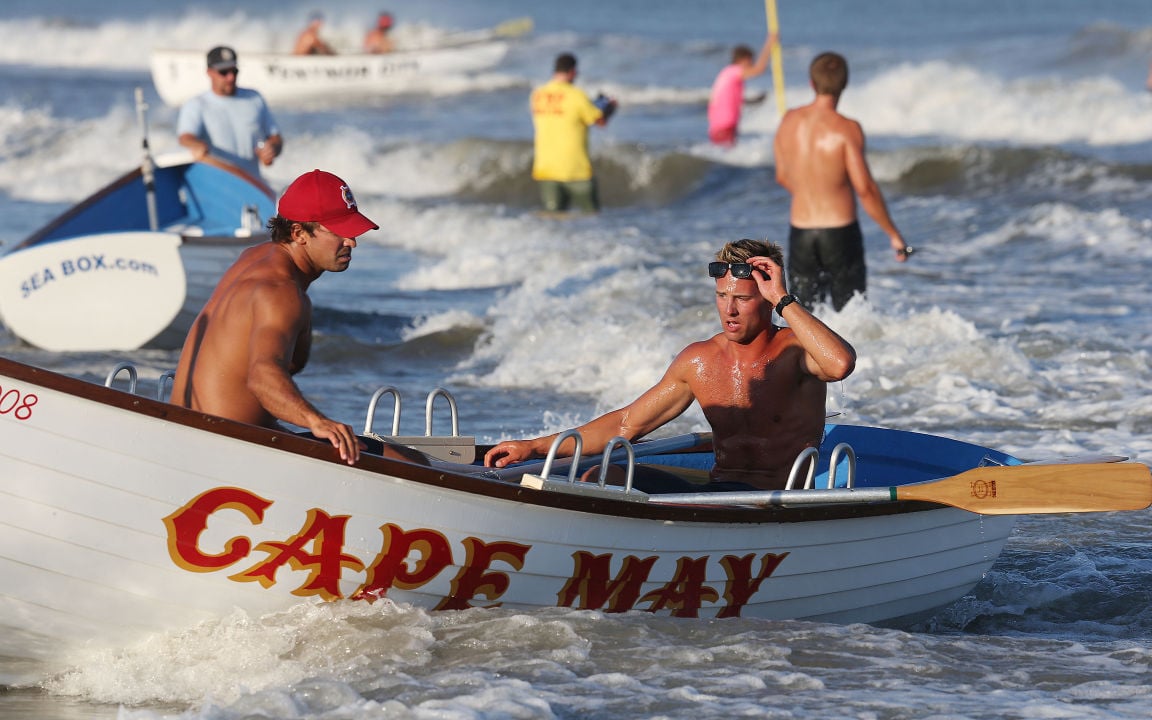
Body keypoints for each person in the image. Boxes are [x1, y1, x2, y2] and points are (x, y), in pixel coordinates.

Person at [484, 238, 856, 492]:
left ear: (765, 299)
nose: (729, 309)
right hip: (718, 494)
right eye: (721, 296)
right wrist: (534, 448)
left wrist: (783, 298)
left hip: (783, 500)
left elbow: (839, 364)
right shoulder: (699, 360)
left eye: (742, 298)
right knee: (604, 474)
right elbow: (626, 424)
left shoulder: (794, 351)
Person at [169, 170, 420, 466]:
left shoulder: (253, 258)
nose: (351, 242)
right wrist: (316, 421)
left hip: (187, 434)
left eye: (352, 230)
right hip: (228, 450)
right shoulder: (282, 292)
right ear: (299, 233)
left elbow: (277, 363)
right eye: (338, 232)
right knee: (410, 462)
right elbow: (262, 377)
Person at [773, 51, 912, 311]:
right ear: (845, 84)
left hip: (800, 233)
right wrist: (894, 235)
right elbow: (865, 189)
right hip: (839, 233)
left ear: (811, 83)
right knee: (849, 316)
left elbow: (781, 176)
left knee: (804, 317)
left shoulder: (788, 121)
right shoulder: (847, 128)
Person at [177, 46, 283, 179]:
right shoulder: (196, 105)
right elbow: (185, 138)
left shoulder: (254, 98)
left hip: (252, 184)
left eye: (234, 71)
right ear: (209, 72)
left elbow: (276, 138)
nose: (231, 77)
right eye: (224, 72)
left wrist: (272, 149)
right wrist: (198, 146)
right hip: (217, 183)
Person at [529, 52, 617, 214]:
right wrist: (611, 107)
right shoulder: (576, 95)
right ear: (573, 72)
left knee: (553, 222)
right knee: (592, 218)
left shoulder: (538, 95)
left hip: (546, 168)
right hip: (575, 169)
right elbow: (600, 121)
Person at [707, 34, 777, 146]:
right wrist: (770, 43)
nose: (751, 64)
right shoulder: (734, 71)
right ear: (743, 59)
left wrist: (754, 101)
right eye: (750, 61)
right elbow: (759, 69)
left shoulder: (726, 73)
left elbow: (730, 99)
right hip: (725, 125)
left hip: (719, 125)